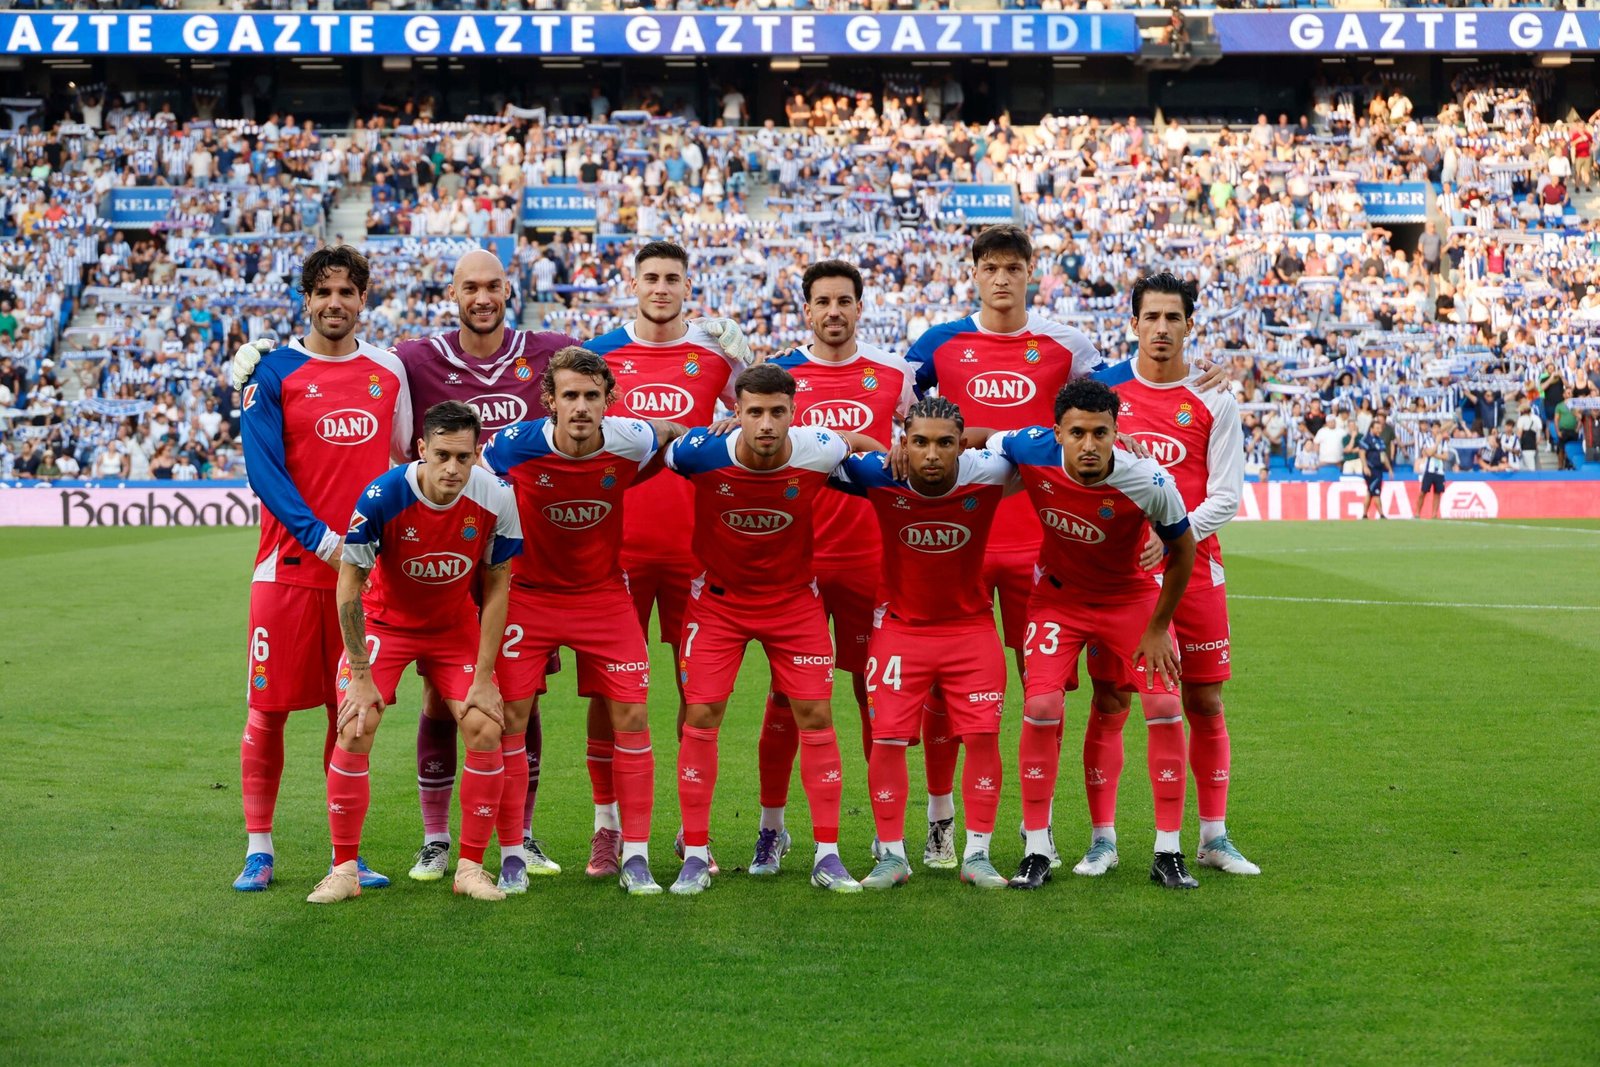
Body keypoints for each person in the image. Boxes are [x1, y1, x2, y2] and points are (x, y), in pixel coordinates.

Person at [235, 248, 751, 881]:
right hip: (400, 560)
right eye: (470, 287)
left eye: (493, 286)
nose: (482, 297)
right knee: (420, 701)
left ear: (510, 291)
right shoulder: (409, 360)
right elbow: (400, 453)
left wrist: (722, 351)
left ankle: (519, 836)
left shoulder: (547, 351)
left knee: (514, 701)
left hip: (510, 556)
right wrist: (260, 359)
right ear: (452, 295)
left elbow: (623, 371)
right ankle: (423, 839)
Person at [659, 363, 884, 896]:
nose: (765, 423)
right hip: (718, 604)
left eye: (777, 412)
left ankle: (827, 855)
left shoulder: (817, 447)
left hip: (793, 603)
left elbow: (862, 443)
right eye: (754, 411)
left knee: (816, 715)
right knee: (701, 714)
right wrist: (692, 427)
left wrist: (890, 459)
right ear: (736, 412)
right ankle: (695, 854)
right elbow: (654, 447)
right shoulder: (700, 452)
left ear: (793, 413)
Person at [233, 246, 411, 893]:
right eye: (323, 292)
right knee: (267, 712)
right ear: (306, 299)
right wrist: (323, 539)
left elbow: (407, 461)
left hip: (362, 581)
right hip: (285, 572)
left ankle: (347, 856)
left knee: (352, 716)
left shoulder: (389, 370)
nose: (335, 302)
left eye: (347, 291)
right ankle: (259, 848)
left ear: (364, 299)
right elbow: (264, 472)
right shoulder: (272, 369)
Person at [482, 347, 687, 896]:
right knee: (510, 719)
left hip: (603, 597)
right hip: (529, 597)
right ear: (549, 400)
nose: (580, 407)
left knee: (633, 716)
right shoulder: (512, 445)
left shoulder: (631, 438)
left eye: (591, 396)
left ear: (608, 401)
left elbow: (671, 432)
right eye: (569, 395)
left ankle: (636, 856)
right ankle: (511, 856)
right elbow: (477, 480)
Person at [583, 240, 756, 878]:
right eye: (650, 277)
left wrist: (744, 366)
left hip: (696, 553)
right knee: (608, 693)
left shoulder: (715, 355)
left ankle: (692, 831)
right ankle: (607, 829)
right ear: (633, 284)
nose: (661, 287)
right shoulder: (599, 355)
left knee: (696, 691)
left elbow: (757, 415)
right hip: (615, 552)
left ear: (688, 287)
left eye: (672, 278)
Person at [308, 401, 522, 905]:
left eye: (464, 457)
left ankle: (471, 867)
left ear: (476, 454)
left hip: (452, 626)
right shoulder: (383, 496)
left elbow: (498, 586)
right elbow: (349, 584)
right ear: (422, 449)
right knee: (356, 722)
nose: (452, 468)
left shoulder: (497, 497)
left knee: (485, 725)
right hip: (386, 622)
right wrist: (360, 675)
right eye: (442, 455)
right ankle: (344, 869)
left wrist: (484, 676)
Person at [1082, 272, 1259, 881]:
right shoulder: (1103, 391)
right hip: (1120, 577)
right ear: (1133, 323)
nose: (1161, 328)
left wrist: (1174, 533)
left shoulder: (1215, 399)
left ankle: (1213, 836)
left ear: (1190, 325)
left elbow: (1227, 495)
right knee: (1111, 699)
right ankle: (1102, 840)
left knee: (1204, 701)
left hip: (1195, 568)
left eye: (1172, 318)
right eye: (1151, 317)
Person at [988, 379, 1198, 891]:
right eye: (1077, 432)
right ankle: (1036, 848)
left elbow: (1185, 550)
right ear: (1057, 432)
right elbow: (981, 437)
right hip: (1058, 600)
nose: (1088, 444)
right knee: (1041, 707)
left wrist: (1157, 628)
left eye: (1100, 433)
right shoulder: (1030, 448)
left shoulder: (1148, 478)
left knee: (1165, 705)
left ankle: (1168, 850)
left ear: (1116, 433)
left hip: (1130, 599)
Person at [758, 260, 923, 874]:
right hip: (794, 558)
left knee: (874, 693)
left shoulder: (893, 373)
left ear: (859, 307)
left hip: (870, 558)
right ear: (806, 310)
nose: (833, 311)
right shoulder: (781, 375)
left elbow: (919, 442)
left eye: (843, 301)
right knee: (785, 695)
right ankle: (772, 828)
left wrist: (898, 448)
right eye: (822, 302)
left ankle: (886, 835)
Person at [832, 396, 1017, 890]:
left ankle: (977, 855)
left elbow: (1054, 457)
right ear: (903, 444)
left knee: (982, 737)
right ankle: (892, 856)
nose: (931, 454)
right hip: (900, 630)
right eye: (919, 442)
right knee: (887, 738)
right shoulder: (878, 474)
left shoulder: (990, 473)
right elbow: (809, 449)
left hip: (971, 631)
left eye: (944, 443)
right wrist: (868, 443)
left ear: (962, 445)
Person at [1360, 412, 1393, 519]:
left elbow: (1383, 455)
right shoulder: (1366, 439)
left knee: (1370, 491)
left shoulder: (1380, 440)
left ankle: (1364, 514)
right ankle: (1381, 514)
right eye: (1377, 428)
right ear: (1372, 428)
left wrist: (1389, 469)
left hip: (1379, 469)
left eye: (1380, 428)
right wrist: (1365, 466)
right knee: (1376, 492)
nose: (1379, 430)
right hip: (1371, 469)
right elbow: (1362, 453)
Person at [1415, 421, 1449, 519]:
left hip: (1440, 471)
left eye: (1438, 427)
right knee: (1423, 492)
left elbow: (1445, 456)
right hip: (1429, 470)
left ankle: (1434, 514)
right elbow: (1428, 453)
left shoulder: (1444, 442)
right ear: (1431, 429)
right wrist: (1437, 443)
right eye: (1434, 427)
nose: (1436, 430)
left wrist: (1434, 454)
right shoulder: (1427, 440)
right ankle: (1417, 513)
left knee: (1437, 493)